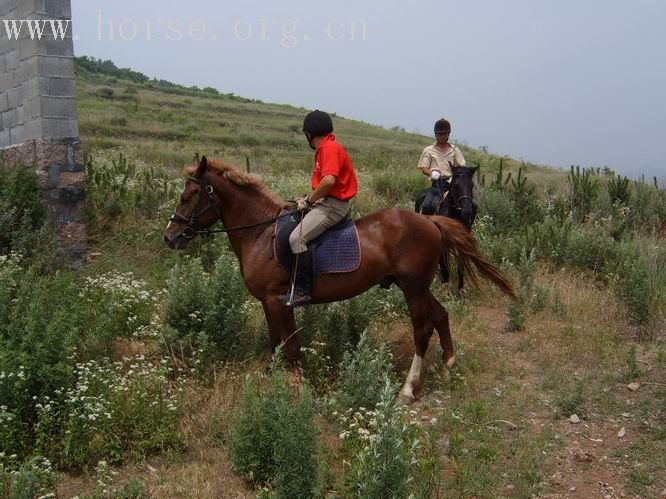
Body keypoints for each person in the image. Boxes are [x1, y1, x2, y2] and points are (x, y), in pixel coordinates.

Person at [278, 110, 358, 306]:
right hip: (326, 202)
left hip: (333, 206)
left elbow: (329, 181)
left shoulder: (328, 149)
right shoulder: (327, 148)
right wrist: (309, 198)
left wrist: (309, 200)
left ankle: (302, 290)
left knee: (297, 238)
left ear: (309, 133)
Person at [416, 118, 466, 213]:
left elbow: (462, 167)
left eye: (444, 134)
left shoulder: (455, 150)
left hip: (452, 185)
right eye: (440, 134)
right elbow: (423, 168)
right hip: (436, 185)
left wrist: (455, 176)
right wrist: (432, 173)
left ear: (448, 134)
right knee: (426, 205)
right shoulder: (429, 150)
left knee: (469, 206)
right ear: (436, 134)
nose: (442, 136)